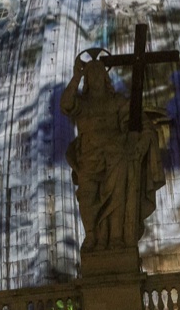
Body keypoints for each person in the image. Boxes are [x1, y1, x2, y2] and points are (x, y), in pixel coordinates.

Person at [61, 53, 165, 252]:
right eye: (91, 75)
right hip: (89, 158)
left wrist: (140, 143)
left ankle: (117, 237)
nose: (96, 78)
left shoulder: (118, 102)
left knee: (117, 195)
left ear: (105, 78)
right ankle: (91, 235)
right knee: (86, 195)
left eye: (99, 74)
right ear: (87, 80)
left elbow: (142, 125)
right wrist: (76, 78)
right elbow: (66, 104)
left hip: (116, 155)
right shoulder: (81, 104)